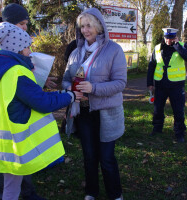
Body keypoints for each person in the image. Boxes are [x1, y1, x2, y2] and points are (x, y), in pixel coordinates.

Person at [0, 22, 82, 200]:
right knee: (11, 186)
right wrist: (70, 96)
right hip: (17, 140)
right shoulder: (17, 72)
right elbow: (42, 102)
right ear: (17, 48)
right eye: (27, 47)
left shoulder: (0, 68)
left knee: (11, 185)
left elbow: (29, 96)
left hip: (4, 141)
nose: (30, 51)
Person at [0, 4, 57, 200]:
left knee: (19, 153)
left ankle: (23, 193)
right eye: (21, 24)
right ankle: (5, 194)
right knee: (10, 159)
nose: (25, 28)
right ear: (8, 25)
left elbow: (17, 73)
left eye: (26, 24)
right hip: (3, 109)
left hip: (11, 106)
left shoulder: (10, 39)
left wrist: (38, 79)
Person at [62, 8, 126, 200]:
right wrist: (72, 91)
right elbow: (65, 79)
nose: (85, 30)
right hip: (83, 112)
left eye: (89, 25)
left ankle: (115, 194)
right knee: (89, 156)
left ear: (98, 26)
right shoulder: (75, 52)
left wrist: (93, 88)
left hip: (107, 113)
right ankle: (91, 192)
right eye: (82, 26)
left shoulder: (114, 50)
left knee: (106, 158)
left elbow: (120, 83)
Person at [147, 28, 187, 143]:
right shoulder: (158, 48)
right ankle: (157, 129)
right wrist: (149, 83)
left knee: (178, 111)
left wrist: (177, 45)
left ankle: (179, 133)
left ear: (175, 37)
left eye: (171, 38)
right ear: (164, 37)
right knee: (158, 109)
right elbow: (151, 65)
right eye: (167, 38)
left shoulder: (182, 46)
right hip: (160, 85)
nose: (168, 40)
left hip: (176, 86)